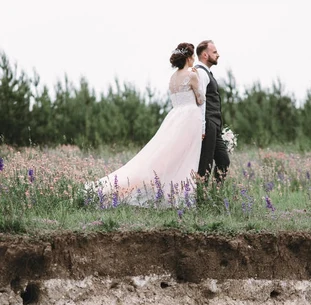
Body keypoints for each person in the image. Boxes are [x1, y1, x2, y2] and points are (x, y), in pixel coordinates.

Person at [87, 42, 204, 207]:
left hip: (174, 118)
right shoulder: (192, 75)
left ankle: (169, 193)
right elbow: (200, 98)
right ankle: (180, 197)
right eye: (193, 57)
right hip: (190, 118)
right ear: (188, 57)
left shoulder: (173, 78)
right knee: (185, 158)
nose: (194, 60)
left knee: (165, 156)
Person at [195, 40, 230, 183]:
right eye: (214, 52)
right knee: (205, 164)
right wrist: (203, 128)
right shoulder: (201, 73)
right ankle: (200, 199)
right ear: (205, 55)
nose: (218, 55)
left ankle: (216, 195)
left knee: (223, 161)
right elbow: (200, 102)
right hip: (208, 125)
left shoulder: (208, 73)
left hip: (215, 125)